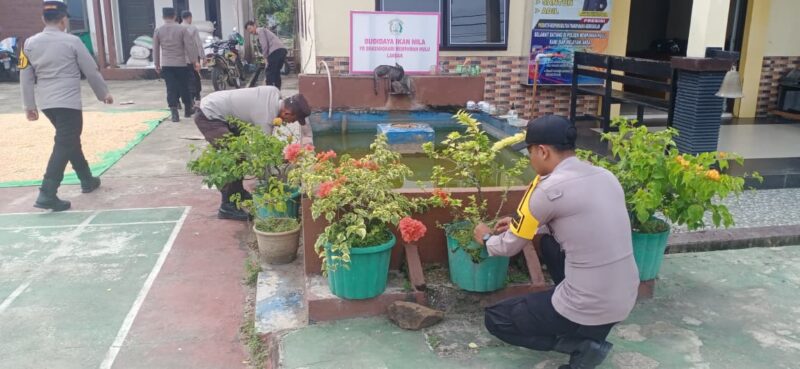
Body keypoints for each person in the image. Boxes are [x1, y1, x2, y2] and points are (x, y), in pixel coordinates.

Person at [473, 116, 639, 369]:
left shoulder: (547, 190)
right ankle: (587, 333)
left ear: (542, 151)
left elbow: (507, 247)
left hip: (588, 304)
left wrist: (485, 238)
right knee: (550, 244)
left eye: (530, 153)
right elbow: (579, 219)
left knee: (496, 319)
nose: (530, 160)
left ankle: (581, 346)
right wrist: (522, 223)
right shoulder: (605, 175)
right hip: (624, 295)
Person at [20, 0, 113, 212]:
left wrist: (29, 105)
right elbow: (90, 70)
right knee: (64, 143)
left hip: (46, 104)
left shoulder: (29, 43)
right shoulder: (72, 41)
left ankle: (87, 179)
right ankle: (47, 192)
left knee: (69, 140)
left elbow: (25, 75)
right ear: (64, 20)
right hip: (68, 102)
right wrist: (103, 94)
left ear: (43, 19)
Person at [193, 86, 312, 220]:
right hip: (209, 115)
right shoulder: (265, 118)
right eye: (294, 120)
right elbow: (263, 155)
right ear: (286, 113)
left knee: (240, 155)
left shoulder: (274, 92)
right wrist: (270, 184)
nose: (291, 123)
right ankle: (227, 206)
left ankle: (238, 192)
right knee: (232, 158)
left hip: (223, 112)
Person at [153, 7, 199, 122]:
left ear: (163, 17)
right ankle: (188, 111)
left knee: (170, 88)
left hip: (167, 64)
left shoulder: (158, 30)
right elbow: (190, 46)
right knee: (184, 87)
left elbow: (155, 49)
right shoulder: (182, 29)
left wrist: (157, 64)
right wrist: (194, 61)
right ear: (174, 16)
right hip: (180, 64)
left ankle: (174, 114)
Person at [245, 20, 287, 89]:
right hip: (282, 50)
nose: (250, 31)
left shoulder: (260, 30)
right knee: (276, 73)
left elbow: (264, 45)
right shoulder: (264, 31)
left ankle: (269, 94)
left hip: (275, 51)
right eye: (248, 30)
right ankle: (277, 92)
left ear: (254, 26)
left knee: (269, 73)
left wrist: (265, 57)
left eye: (250, 28)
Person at [181, 10, 204, 103]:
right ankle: (197, 95)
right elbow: (198, 43)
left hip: (182, 58)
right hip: (194, 56)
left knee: (185, 77)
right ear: (189, 18)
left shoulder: (178, 28)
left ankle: (189, 97)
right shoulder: (193, 28)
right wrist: (202, 56)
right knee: (196, 75)